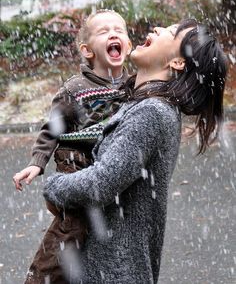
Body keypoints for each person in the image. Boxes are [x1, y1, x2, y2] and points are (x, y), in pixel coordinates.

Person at [43, 19, 228, 284]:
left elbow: (101, 183)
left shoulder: (151, 112)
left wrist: (54, 186)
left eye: (172, 32)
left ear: (177, 62)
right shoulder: (145, 105)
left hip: (114, 272)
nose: (158, 29)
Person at [13, 9, 132, 283]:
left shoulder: (133, 86)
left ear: (128, 45)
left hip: (109, 165)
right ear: (87, 50)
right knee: (71, 230)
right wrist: (36, 162)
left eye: (119, 30)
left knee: (110, 234)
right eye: (104, 31)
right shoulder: (75, 88)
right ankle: (42, 276)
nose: (113, 33)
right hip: (77, 166)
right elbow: (51, 129)